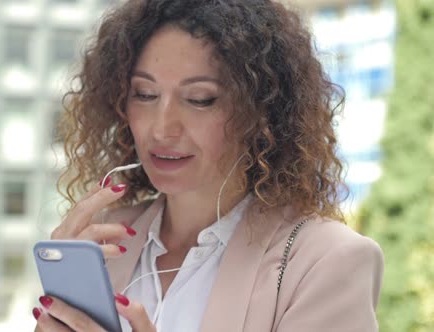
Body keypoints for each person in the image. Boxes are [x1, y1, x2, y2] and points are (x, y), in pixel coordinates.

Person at [32, 0, 384, 331]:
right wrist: (66, 281)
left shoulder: (327, 262)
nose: (162, 128)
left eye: (200, 99)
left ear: (261, 111)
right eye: (145, 94)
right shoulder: (101, 246)